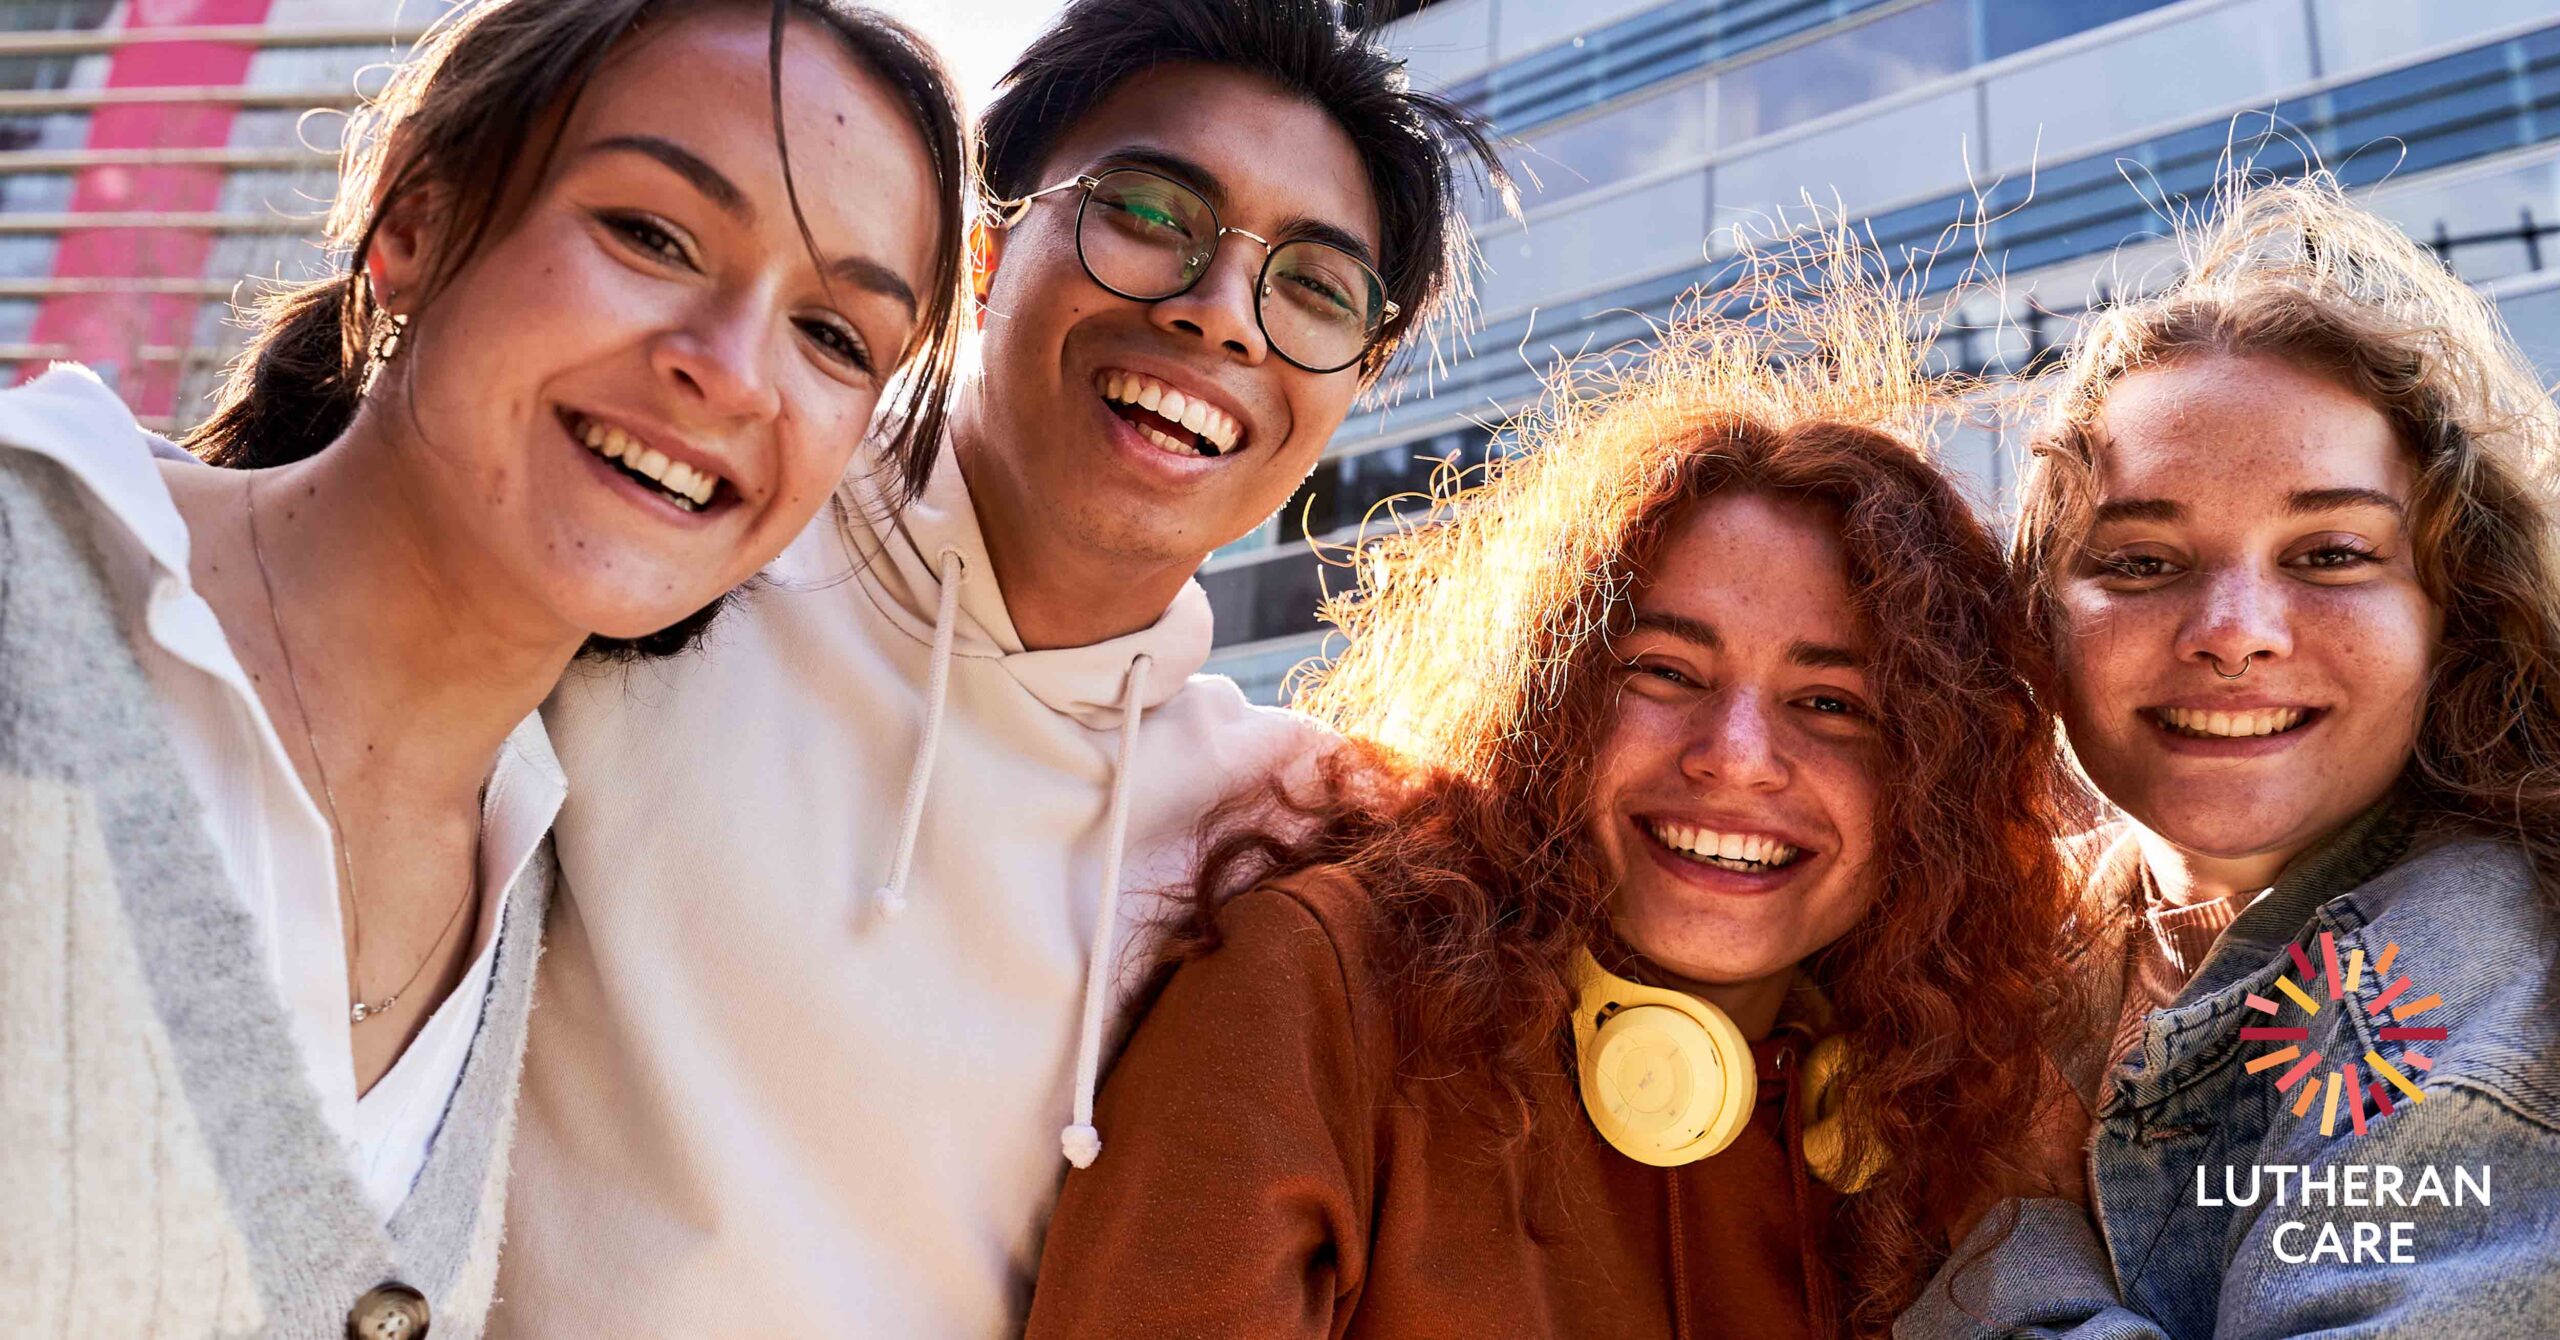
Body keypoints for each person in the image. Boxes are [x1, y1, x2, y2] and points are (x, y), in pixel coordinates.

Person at [493, 0, 1505, 1333]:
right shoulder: (685, 554)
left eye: (1312, 287)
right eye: (1149, 213)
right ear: (984, 252)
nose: (1219, 317)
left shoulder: (1305, 836)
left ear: (1353, 388)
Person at [0, 2, 964, 1334]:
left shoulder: (544, 888)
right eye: (652, 234)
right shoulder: (26, 578)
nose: (731, 372)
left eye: (835, 336)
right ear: (413, 221)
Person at [1023, 239, 2083, 1338]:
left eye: (1832, 703)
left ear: (1930, 776)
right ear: (1550, 702)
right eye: (1664, 673)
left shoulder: (1949, 1109)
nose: (1735, 753)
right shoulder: (1324, 984)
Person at [1898, 175, 2560, 1337]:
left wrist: (2007, 1228)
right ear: (2035, 622)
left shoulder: (2450, 957)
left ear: (2446, 609)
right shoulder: (2003, 927)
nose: (2235, 629)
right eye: (2144, 561)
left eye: (2330, 552)